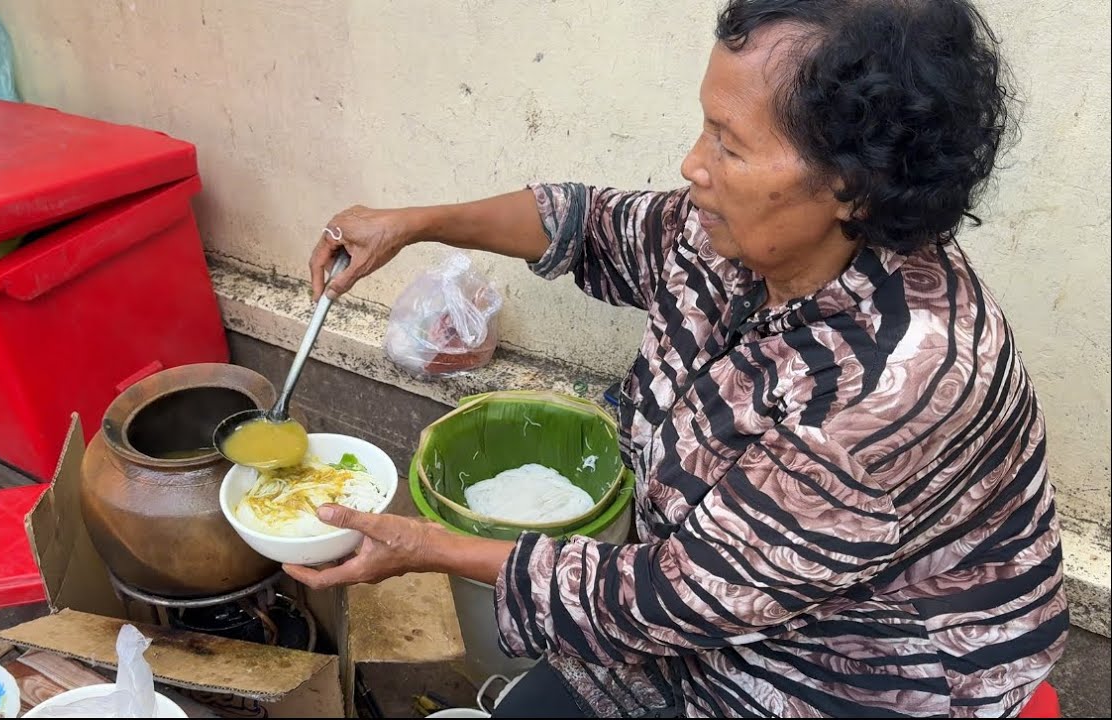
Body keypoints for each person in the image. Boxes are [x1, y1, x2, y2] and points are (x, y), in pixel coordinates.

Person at [285, 0, 1069, 716]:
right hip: (708, 606)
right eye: (705, 128)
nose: (694, 165)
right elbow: (591, 225)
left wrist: (425, 546)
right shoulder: (738, 238)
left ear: (852, 187)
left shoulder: (893, 385)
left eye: (729, 144)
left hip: (857, 673)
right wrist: (418, 223)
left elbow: (674, 597)